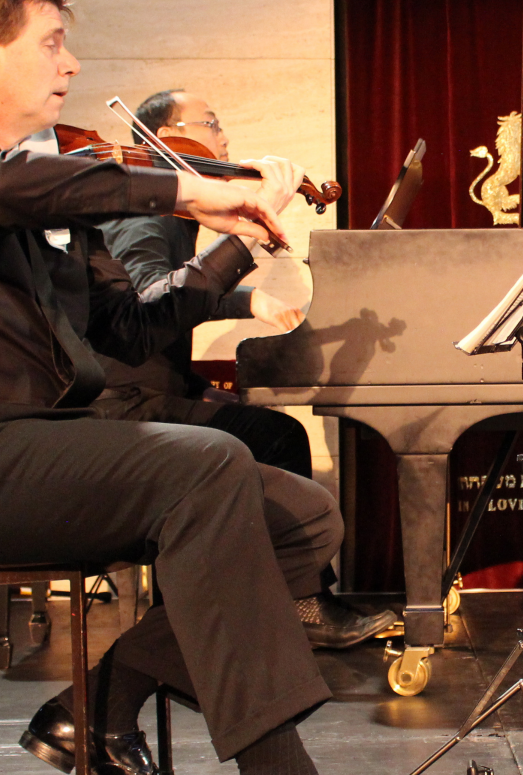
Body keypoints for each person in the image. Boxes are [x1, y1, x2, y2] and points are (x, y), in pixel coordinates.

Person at [0, 0, 336, 775]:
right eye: (54, 43)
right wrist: (181, 193)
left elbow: (131, 329)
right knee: (209, 464)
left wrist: (236, 244)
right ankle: (279, 768)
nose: (70, 65)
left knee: (306, 518)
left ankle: (98, 704)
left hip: (44, 448)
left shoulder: (46, 190)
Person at [91, 88, 395, 649]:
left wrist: (245, 298)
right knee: (275, 435)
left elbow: (178, 285)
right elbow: (144, 306)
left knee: (255, 420)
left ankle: (261, 600)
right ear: (165, 140)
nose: (224, 137)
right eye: (210, 122)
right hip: (126, 407)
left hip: (153, 391)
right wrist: (241, 257)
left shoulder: (166, 213)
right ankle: (296, 603)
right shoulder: (143, 219)